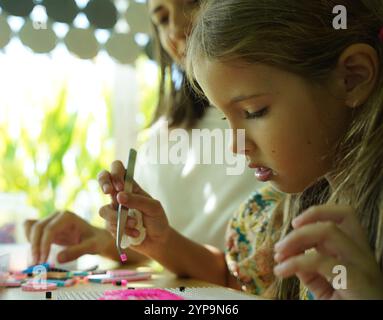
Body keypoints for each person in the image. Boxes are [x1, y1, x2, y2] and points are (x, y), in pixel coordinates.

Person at [100, 0, 383, 299]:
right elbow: (240, 283)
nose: (236, 146)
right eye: (225, 118)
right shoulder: (283, 213)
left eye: (254, 111)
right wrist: (161, 241)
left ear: (353, 78)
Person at [24, 0, 259, 266]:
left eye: (194, 2)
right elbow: (161, 246)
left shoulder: (279, 125)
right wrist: (106, 239)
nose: (176, 28)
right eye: (161, 18)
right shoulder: (164, 135)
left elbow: (243, 275)